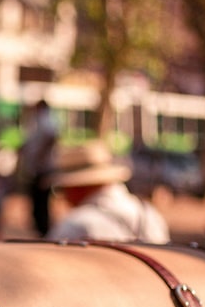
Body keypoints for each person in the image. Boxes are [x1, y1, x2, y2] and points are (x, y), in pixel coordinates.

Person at [47, 141, 170, 243]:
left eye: (63, 189)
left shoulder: (73, 227)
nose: (63, 196)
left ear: (76, 187)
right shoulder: (149, 214)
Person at [19, 99, 58, 236]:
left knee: (41, 201)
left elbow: (51, 136)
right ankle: (40, 227)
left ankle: (43, 228)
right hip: (37, 167)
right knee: (38, 200)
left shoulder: (44, 119)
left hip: (42, 168)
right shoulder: (37, 120)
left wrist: (39, 156)